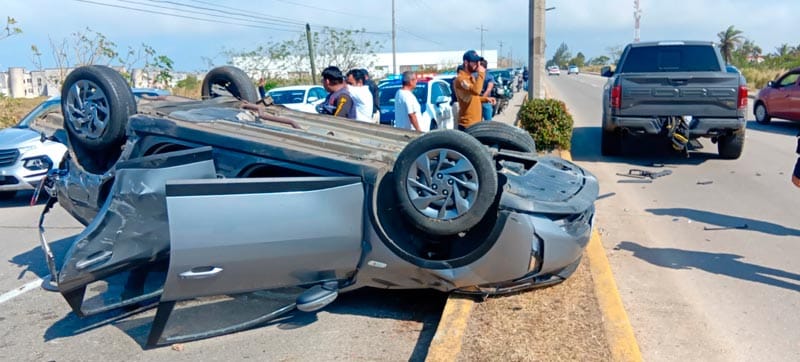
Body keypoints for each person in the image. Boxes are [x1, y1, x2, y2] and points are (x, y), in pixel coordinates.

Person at [453, 50, 495, 130]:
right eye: (474, 62)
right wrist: (481, 73)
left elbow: (473, 98)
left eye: (478, 62)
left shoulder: (470, 77)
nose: (478, 64)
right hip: (467, 124)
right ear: (466, 62)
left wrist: (486, 99)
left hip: (475, 123)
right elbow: (476, 91)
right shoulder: (461, 79)